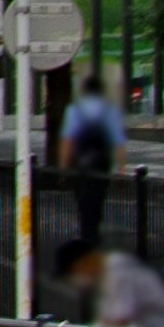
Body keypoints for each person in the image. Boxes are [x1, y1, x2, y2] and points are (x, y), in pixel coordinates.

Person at [58, 68, 125, 252]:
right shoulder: (109, 111)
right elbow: (118, 141)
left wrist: (63, 168)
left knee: (82, 200)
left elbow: (67, 142)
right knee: (98, 199)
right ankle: (93, 234)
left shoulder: (74, 111)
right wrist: (121, 168)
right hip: (101, 164)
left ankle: (86, 233)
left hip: (80, 164)